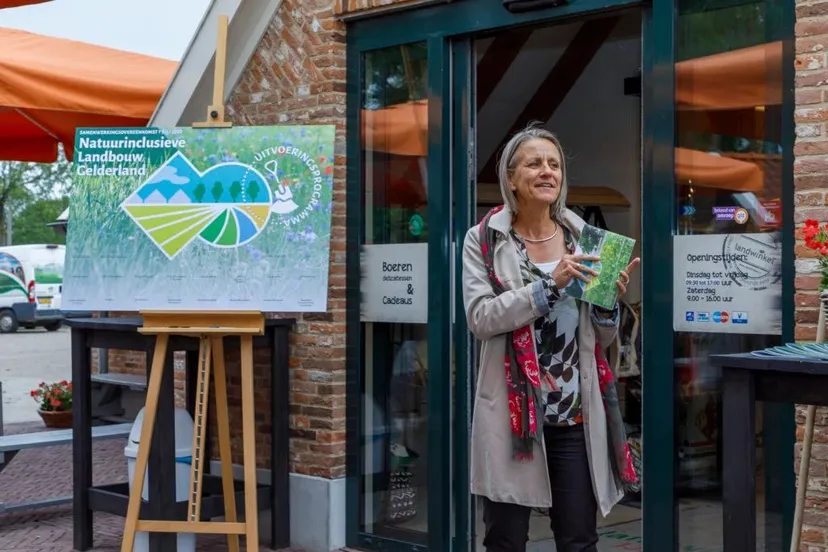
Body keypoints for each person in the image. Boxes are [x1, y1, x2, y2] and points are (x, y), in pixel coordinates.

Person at [461, 123, 641, 552]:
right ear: (511, 178)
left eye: (554, 164)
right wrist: (548, 286)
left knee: (579, 539)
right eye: (534, 163)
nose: (547, 172)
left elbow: (600, 338)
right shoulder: (484, 240)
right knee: (505, 540)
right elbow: (481, 318)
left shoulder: (586, 238)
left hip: (574, 416)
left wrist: (607, 305)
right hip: (514, 417)